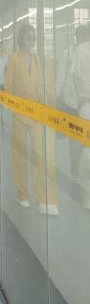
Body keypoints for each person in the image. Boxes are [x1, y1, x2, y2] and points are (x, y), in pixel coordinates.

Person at [4, 24, 58, 214]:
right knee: (19, 155)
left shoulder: (37, 60)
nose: (31, 41)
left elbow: (42, 85)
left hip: (36, 115)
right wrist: (14, 108)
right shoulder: (13, 59)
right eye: (28, 37)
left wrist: (47, 106)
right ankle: (22, 193)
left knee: (38, 155)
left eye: (33, 37)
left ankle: (41, 196)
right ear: (21, 39)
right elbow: (8, 87)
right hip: (19, 115)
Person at [70, 25, 90, 209]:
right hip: (87, 105)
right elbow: (75, 77)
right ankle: (87, 194)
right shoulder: (81, 50)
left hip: (85, 104)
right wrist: (80, 100)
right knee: (88, 150)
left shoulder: (80, 50)